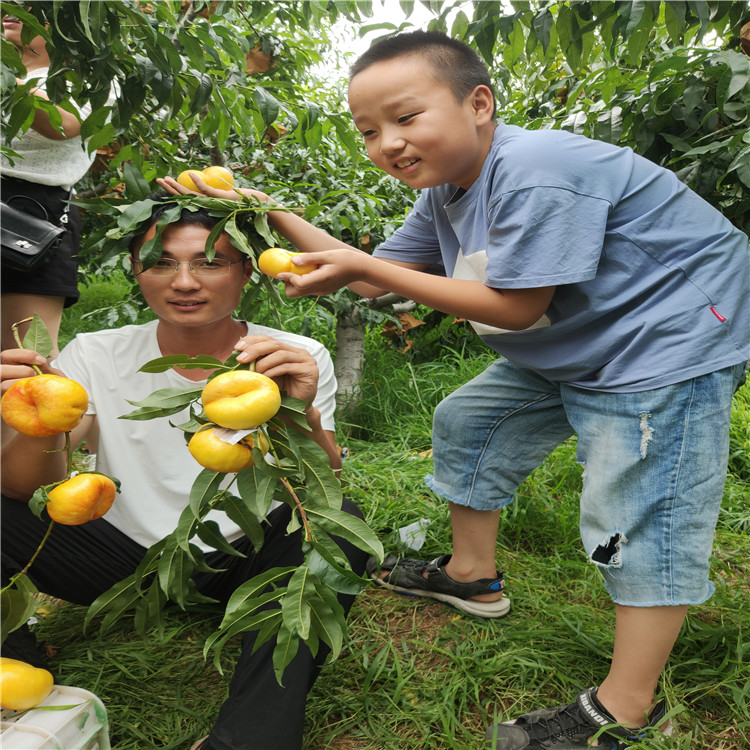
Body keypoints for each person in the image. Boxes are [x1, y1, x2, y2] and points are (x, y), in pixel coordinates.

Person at [160, 28, 750, 750]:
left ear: (479, 103)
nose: (387, 143)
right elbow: (375, 269)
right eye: (369, 131)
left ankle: (626, 708)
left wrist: (355, 267)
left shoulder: (537, 169)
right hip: (581, 338)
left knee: (640, 505)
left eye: (406, 118)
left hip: (666, 344)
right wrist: (259, 210)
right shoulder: (446, 193)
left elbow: (515, 306)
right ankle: (473, 577)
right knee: (471, 420)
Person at [0, 202, 369, 750]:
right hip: (123, 564)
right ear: (136, 272)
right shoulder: (97, 354)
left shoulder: (290, 356)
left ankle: (249, 739)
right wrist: (34, 419)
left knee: (336, 528)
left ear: (247, 271)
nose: (185, 282)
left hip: (241, 561)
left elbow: (325, 481)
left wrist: (300, 412)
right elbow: (20, 491)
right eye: (160, 264)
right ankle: (14, 655)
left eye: (210, 263)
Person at [1, 15, 96, 356]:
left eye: (32, 5)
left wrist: (11, 78)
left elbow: (63, 124)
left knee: (26, 355)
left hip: (30, 214)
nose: (13, 9)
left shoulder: (84, 77)